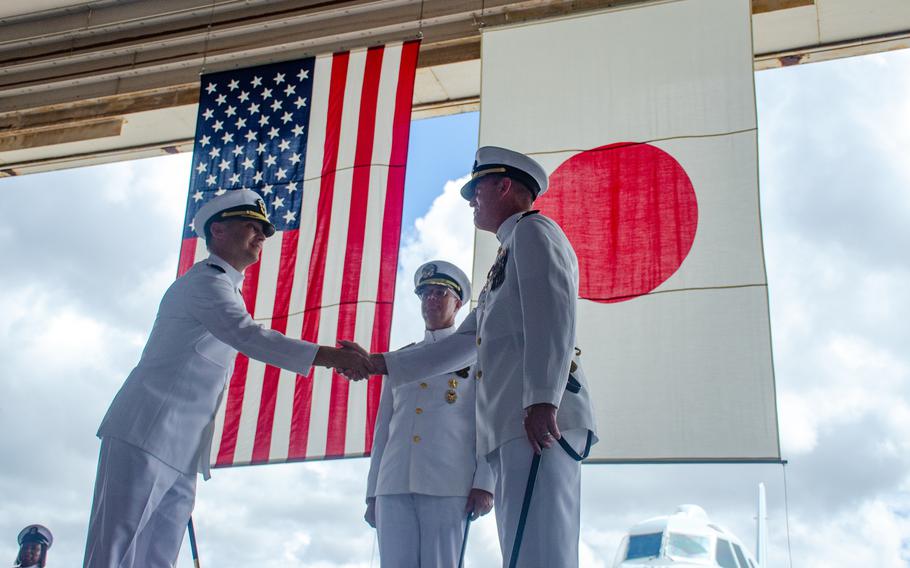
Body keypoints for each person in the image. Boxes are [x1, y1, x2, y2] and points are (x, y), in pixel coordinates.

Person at [83, 189, 372, 568]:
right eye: (252, 226)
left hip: (181, 448)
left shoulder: (227, 288)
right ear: (218, 230)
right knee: (114, 552)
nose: (262, 236)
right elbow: (249, 336)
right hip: (146, 434)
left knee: (156, 558)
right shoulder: (205, 283)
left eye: (264, 230)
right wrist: (334, 357)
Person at [351, 147, 597, 567]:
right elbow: (460, 345)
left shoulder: (534, 232)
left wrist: (542, 399)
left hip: (539, 421)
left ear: (504, 186)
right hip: (516, 424)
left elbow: (554, 313)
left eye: (476, 188)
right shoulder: (508, 253)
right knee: (522, 552)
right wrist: (378, 364)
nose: (470, 200)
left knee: (541, 549)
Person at [364, 260, 494, 567]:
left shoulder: (475, 355)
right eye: (426, 294)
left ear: (458, 303)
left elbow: (487, 420)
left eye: (440, 293)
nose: (431, 300)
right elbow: (383, 430)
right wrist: (373, 492)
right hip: (393, 483)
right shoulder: (399, 359)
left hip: (448, 484)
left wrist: (485, 483)